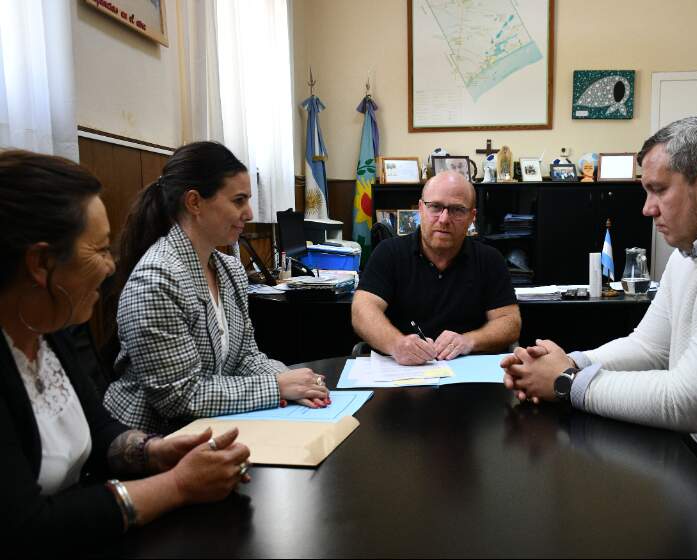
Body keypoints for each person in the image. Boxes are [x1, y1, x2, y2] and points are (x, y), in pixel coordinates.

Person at [502, 114, 697, 535]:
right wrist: (572, 360)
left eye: (658, 190)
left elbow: (691, 402)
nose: (646, 208)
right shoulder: (696, 248)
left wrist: (567, 382)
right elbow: (650, 348)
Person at [0, 150, 252, 553]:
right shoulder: (155, 277)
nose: (110, 266)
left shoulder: (51, 334)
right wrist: (176, 484)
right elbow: (25, 527)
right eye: (98, 250)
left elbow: (100, 431)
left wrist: (152, 451)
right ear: (41, 263)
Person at [104, 142, 329, 433]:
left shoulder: (229, 269)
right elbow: (179, 397)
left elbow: (245, 357)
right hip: (151, 442)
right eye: (238, 201)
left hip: (209, 428)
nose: (249, 213)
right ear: (194, 202)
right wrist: (276, 385)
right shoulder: (157, 279)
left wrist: (298, 381)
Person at [353, 171, 521, 365]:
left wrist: (469, 341)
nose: (444, 219)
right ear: (420, 209)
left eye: (457, 210)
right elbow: (362, 310)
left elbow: (509, 322)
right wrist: (396, 344)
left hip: (469, 374)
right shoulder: (388, 253)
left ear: (471, 217)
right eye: (435, 207)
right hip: (401, 373)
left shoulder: (490, 259)